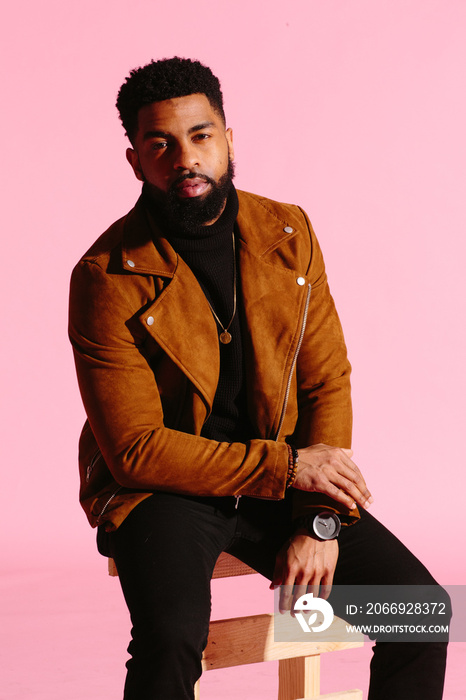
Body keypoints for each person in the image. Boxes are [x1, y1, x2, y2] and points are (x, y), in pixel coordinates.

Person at [69, 57, 448, 700]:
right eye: (160, 143)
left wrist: (320, 520)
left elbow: (326, 380)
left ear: (229, 139)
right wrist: (289, 468)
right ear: (135, 160)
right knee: (170, 641)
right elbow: (135, 450)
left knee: (421, 614)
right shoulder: (106, 275)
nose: (184, 157)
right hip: (168, 489)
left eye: (200, 135)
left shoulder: (288, 232)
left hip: (284, 483)